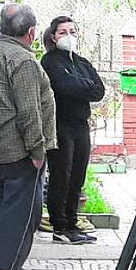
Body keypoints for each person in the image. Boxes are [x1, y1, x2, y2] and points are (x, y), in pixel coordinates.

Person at [0, 3, 57, 270]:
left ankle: (1, 265)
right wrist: (37, 151)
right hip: (19, 150)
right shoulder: (24, 61)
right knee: (24, 212)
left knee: (2, 208)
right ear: (32, 32)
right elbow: (30, 111)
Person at [40, 16, 105, 245]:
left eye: (72, 31)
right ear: (53, 36)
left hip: (80, 125)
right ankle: (59, 225)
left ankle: (72, 221)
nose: (68, 36)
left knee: (77, 175)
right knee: (62, 175)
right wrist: (81, 86)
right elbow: (64, 86)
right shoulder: (50, 61)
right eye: (62, 32)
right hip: (60, 125)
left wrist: (79, 85)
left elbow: (98, 90)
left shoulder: (81, 62)